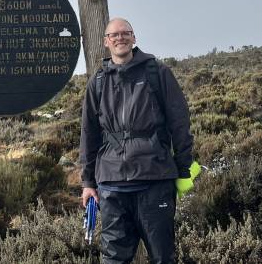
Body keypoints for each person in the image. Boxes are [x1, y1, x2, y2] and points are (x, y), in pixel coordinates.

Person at [79, 18, 194, 264]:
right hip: (112, 187)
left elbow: (180, 123)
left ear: (134, 38)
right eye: (114, 35)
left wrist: (183, 169)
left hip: (155, 182)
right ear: (106, 42)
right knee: (114, 260)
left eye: (125, 33)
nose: (120, 38)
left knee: (163, 258)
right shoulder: (97, 82)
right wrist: (88, 182)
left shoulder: (157, 73)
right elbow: (89, 134)